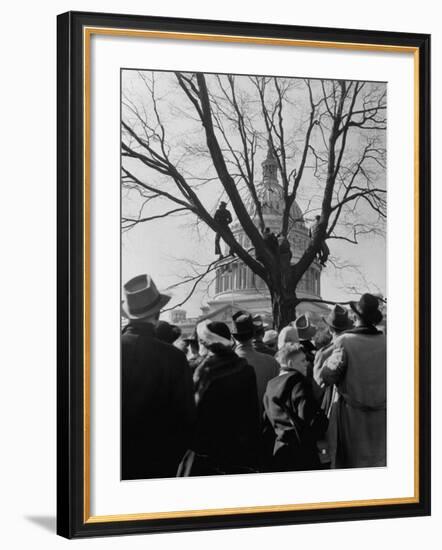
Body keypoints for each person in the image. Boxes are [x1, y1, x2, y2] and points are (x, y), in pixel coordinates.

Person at [121, 274, 196, 480]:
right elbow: (186, 419)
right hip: (158, 464)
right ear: (158, 312)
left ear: (128, 315)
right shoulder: (174, 358)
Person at [178, 321, 260, 476]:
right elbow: (251, 415)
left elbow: (186, 413)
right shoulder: (246, 369)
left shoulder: (195, 369)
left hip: (202, 449)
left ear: (205, 342)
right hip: (236, 449)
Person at [315, 294, 386, 468]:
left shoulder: (344, 342)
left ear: (355, 317)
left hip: (352, 419)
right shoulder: (388, 342)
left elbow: (325, 377)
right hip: (382, 418)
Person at [263, 344, 327, 472]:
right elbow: (310, 418)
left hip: (279, 451)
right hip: (301, 453)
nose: (307, 364)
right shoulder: (299, 382)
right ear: (290, 363)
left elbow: (266, 422)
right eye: (302, 361)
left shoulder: (270, 385)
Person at [232, 311, 280, 413]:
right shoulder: (272, 362)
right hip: (266, 422)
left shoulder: (225, 365)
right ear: (253, 334)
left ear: (233, 336)